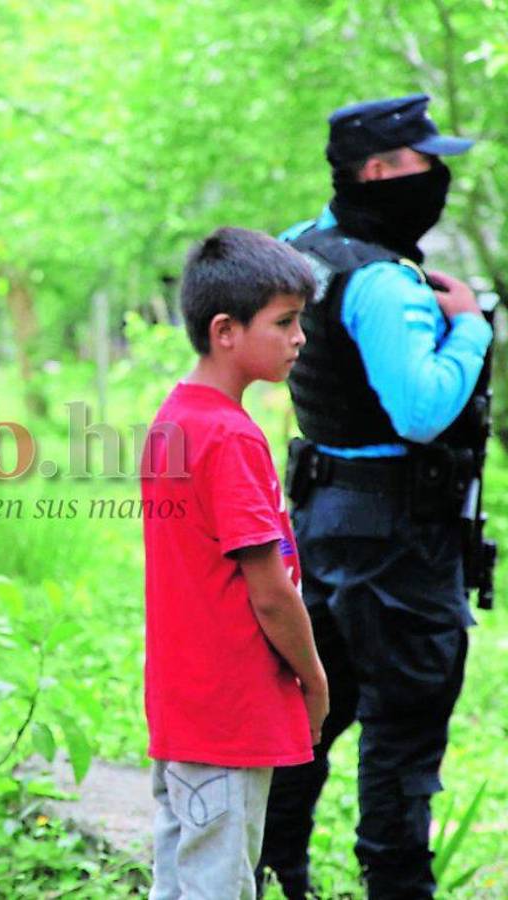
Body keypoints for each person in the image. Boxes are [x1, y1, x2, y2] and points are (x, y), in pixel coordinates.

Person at [258, 94, 493, 900]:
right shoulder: (387, 285)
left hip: (320, 520)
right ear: (384, 171)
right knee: (403, 727)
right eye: (429, 160)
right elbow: (423, 411)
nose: (441, 175)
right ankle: (396, 886)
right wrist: (471, 329)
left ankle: (273, 870)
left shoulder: (296, 251)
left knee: (316, 708)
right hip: (399, 537)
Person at [141, 227, 328, 900]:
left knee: (183, 879)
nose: (298, 337)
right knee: (220, 884)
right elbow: (271, 592)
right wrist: (313, 677)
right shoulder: (228, 436)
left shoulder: (173, 420)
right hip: (231, 711)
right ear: (225, 330)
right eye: (284, 322)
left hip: (185, 703)